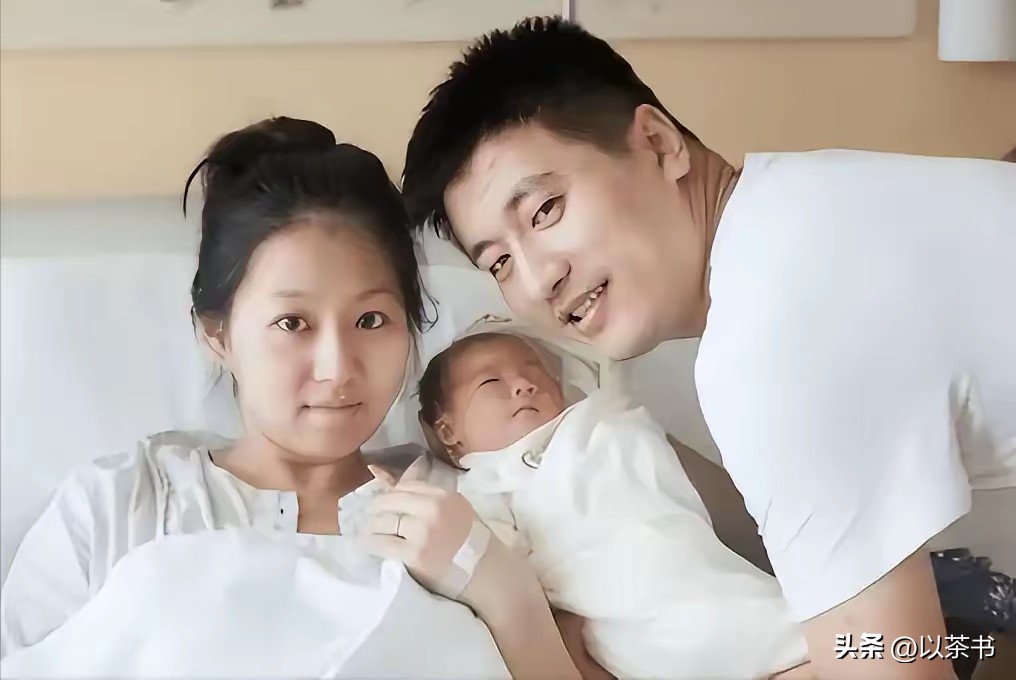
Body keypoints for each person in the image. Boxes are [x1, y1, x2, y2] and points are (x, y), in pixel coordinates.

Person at [401, 17, 1016, 680]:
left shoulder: (769, 344)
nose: (536, 280)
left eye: (545, 210)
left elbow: (898, 668)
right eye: (497, 262)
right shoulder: (802, 201)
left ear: (659, 143)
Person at [0, 117, 581, 679]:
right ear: (218, 333)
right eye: (292, 323)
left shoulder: (486, 501)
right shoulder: (117, 508)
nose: (337, 368)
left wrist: (505, 594)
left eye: (371, 320)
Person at [418, 331, 812, 679]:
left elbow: (604, 364)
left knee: (815, 635)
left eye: (535, 371)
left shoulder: (601, 421)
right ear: (448, 430)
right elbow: (499, 573)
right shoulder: (482, 489)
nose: (524, 384)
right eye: (491, 382)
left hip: (722, 590)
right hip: (640, 634)